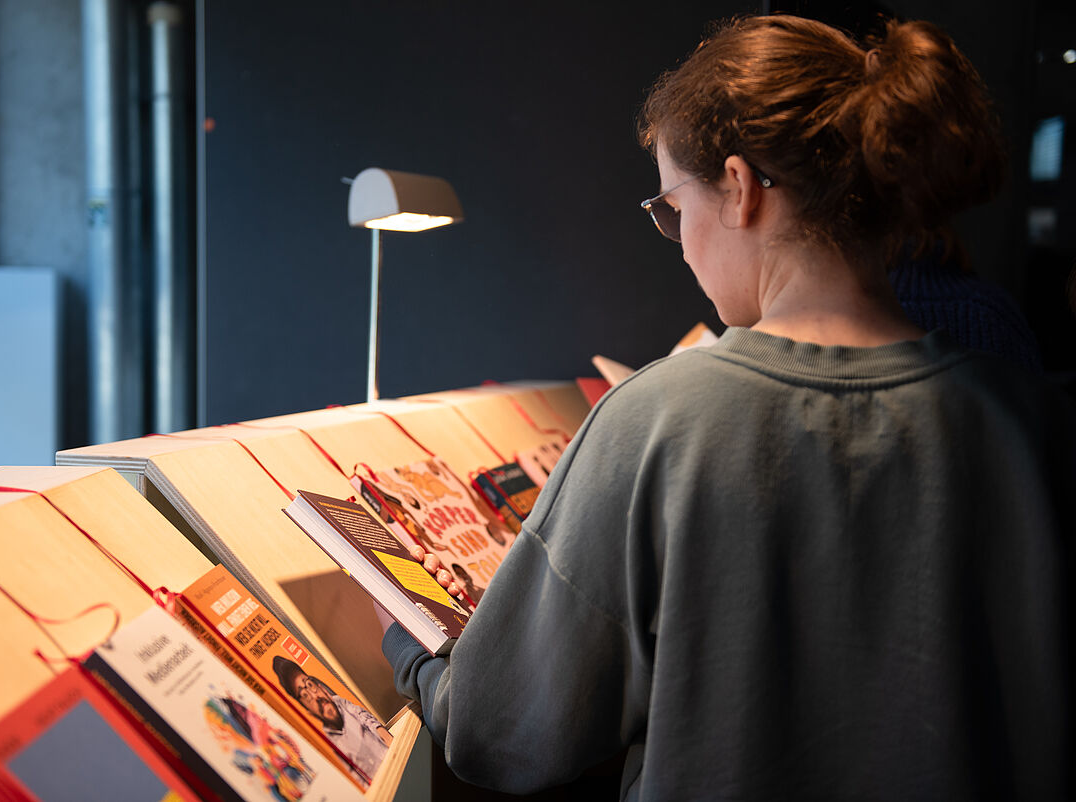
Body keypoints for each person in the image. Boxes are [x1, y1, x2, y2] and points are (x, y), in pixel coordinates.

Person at [377, 14, 1075, 800]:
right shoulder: (1028, 418)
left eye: (673, 206)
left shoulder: (657, 421)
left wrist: (414, 654)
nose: (677, 240)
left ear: (739, 190)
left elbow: (497, 732)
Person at [271, 657, 392, 780]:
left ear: (321, 688)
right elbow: (356, 778)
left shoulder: (342, 704)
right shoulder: (330, 744)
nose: (315, 696)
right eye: (305, 696)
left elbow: (366, 718)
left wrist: (389, 740)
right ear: (308, 711)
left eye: (310, 685)